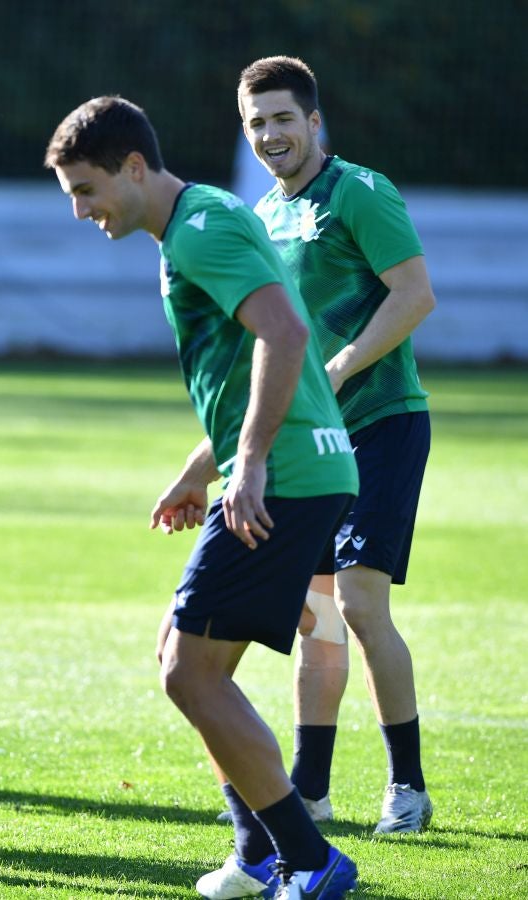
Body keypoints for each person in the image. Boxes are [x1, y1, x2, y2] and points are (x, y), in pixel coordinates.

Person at [45, 96, 359, 899]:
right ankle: (258, 851)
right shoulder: (197, 219)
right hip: (294, 471)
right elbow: (248, 358)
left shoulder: (200, 228)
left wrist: (247, 464)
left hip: (286, 479)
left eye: (87, 190)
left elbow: (284, 334)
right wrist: (205, 464)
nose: (82, 211)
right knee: (180, 654)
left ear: (136, 167)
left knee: (191, 672)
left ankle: (309, 859)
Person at [236, 55, 436, 837]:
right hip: (312, 442)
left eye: (284, 118)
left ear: (315, 122)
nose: (271, 134)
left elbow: (414, 294)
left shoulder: (360, 191)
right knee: (313, 618)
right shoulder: (262, 216)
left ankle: (407, 788)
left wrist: (339, 369)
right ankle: (311, 792)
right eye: (257, 122)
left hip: (383, 422)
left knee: (358, 604)